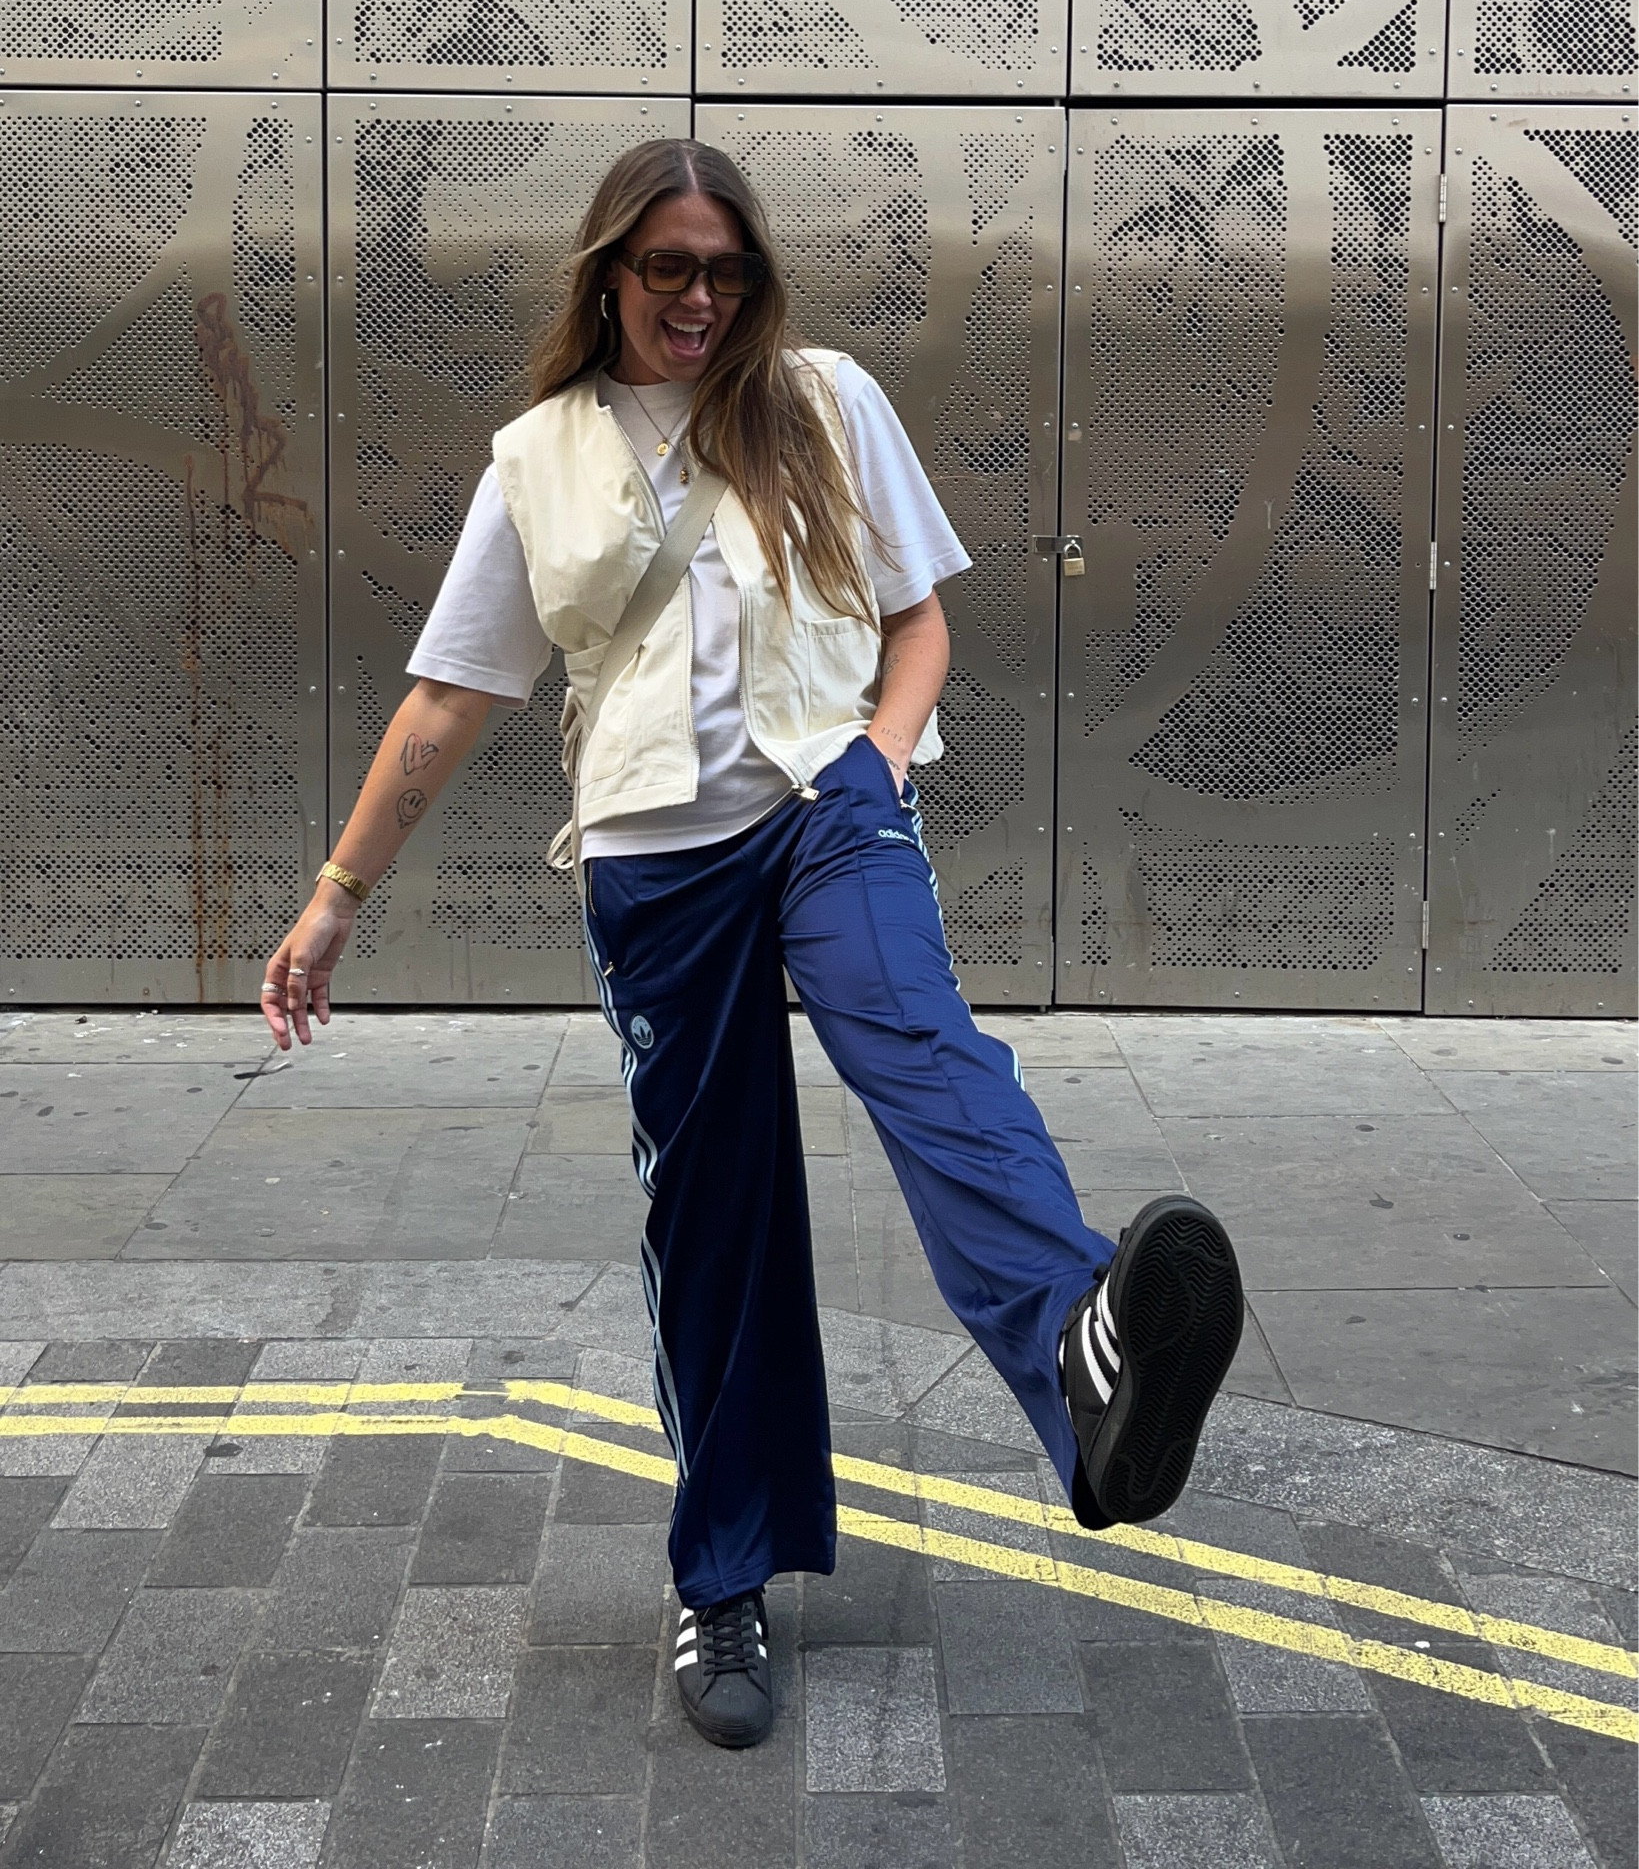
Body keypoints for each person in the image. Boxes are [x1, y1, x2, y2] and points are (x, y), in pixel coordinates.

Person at [258, 139, 1245, 1752]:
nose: (701, 298)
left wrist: (881, 751)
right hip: (655, 859)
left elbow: (919, 613)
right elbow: (450, 695)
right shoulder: (539, 460)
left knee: (923, 1046)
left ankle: (1086, 1360)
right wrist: (337, 897)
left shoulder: (827, 401)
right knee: (714, 1218)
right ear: (610, 276)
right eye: (669, 270)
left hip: (829, 807)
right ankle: (722, 1577)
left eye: (725, 270)